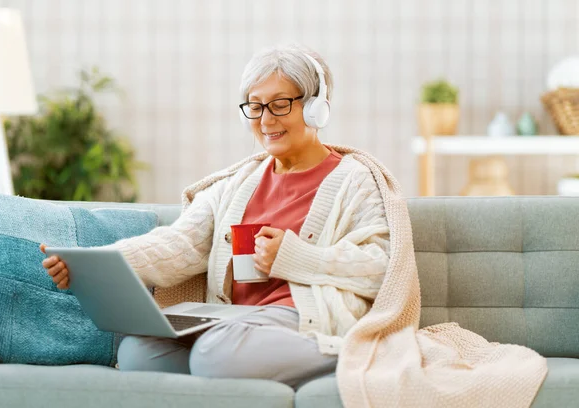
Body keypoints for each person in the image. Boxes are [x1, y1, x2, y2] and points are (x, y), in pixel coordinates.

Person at [41, 44, 391, 389]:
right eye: (255, 107)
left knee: (213, 354)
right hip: (236, 324)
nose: (266, 120)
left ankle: (352, 353)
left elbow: (379, 268)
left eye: (280, 104)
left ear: (315, 108)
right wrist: (98, 263)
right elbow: (179, 243)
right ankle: (242, 364)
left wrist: (295, 256)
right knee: (137, 352)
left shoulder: (354, 179)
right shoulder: (236, 185)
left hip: (307, 320)